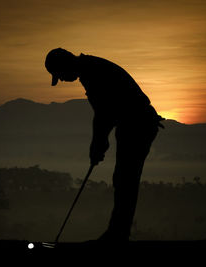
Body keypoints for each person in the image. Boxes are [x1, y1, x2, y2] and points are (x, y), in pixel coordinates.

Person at [45, 48, 164, 242]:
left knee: (125, 179)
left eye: (61, 75)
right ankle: (117, 233)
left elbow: (104, 114)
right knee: (123, 179)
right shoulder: (90, 69)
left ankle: (118, 235)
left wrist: (98, 144)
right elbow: (104, 114)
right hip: (132, 124)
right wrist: (99, 143)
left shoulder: (93, 73)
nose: (63, 80)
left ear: (65, 65)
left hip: (137, 124)